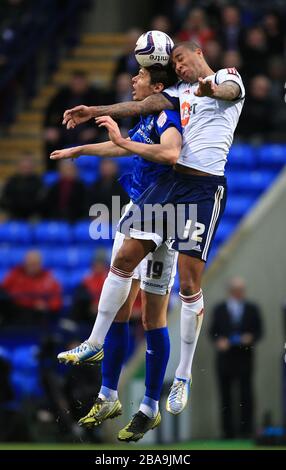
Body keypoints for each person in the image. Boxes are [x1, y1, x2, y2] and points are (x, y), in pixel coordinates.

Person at [60, 40, 245, 434]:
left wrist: (210, 87)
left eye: (182, 59)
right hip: (166, 192)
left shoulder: (228, 78)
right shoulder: (175, 95)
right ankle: (98, 353)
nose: (178, 67)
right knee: (125, 260)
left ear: (198, 52)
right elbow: (139, 107)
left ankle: (181, 377)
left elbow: (227, 92)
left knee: (189, 287)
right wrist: (96, 111)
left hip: (203, 190)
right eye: (173, 63)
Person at [51, 64, 182, 442]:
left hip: (164, 211)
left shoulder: (168, 115)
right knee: (127, 309)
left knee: (153, 317)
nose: (132, 80)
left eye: (140, 76)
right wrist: (82, 150)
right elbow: (120, 146)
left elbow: (171, 153)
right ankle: (109, 396)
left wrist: (120, 142)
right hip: (140, 208)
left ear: (157, 85)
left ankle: (145, 402)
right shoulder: (147, 116)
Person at [209, 277, 263, 438]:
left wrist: (250, 338)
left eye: (241, 290)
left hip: (244, 357)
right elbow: (213, 332)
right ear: (230, 291)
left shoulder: (252, 308)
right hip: (225, 359)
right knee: (225, 394)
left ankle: (246, 430)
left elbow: (259, 331)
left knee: (246, 394)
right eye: (236, 290)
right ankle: (228, 431)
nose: (239, 293)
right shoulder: (219, 309)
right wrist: (219, 341)